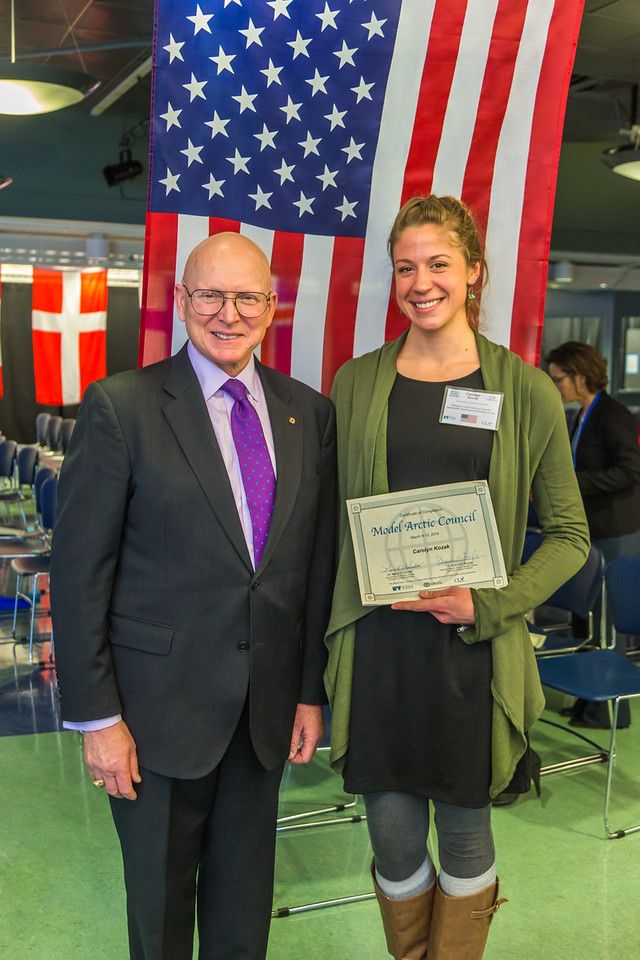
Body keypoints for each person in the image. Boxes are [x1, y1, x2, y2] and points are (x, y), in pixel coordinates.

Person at [50, 232, 336, 960]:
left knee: (244, 920)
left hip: (263, 717)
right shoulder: (122, 408)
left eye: (247, 297)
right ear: (181, 301)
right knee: (161, 917)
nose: (228, 313)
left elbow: (308, 568)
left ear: (272, 307)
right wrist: (97, 720)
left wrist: (308, 691)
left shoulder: (309, 414)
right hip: (153, 722)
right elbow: (81, 576)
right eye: (210, 294)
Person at [325, 195, 589, 960]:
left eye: (439, 264)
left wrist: (490, 601)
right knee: (395, 839)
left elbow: (570, 536)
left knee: (466, 834)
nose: (421, 281)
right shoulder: (356, 383)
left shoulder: (525, 390)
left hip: (472, 653)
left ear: (474, 271)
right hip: (378, 649)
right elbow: (329, 531)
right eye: (405, 267)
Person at [546, 340, 640, 728]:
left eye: (559, 380)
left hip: (610, 527)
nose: (556, 388)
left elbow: (631, 470)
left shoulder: (612, 414)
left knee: (606, 618)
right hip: (588, 527)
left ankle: (610, 709)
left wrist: (575, 482)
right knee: (586, 617)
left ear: (580, 376)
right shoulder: (580, 415)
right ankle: (588, 699)